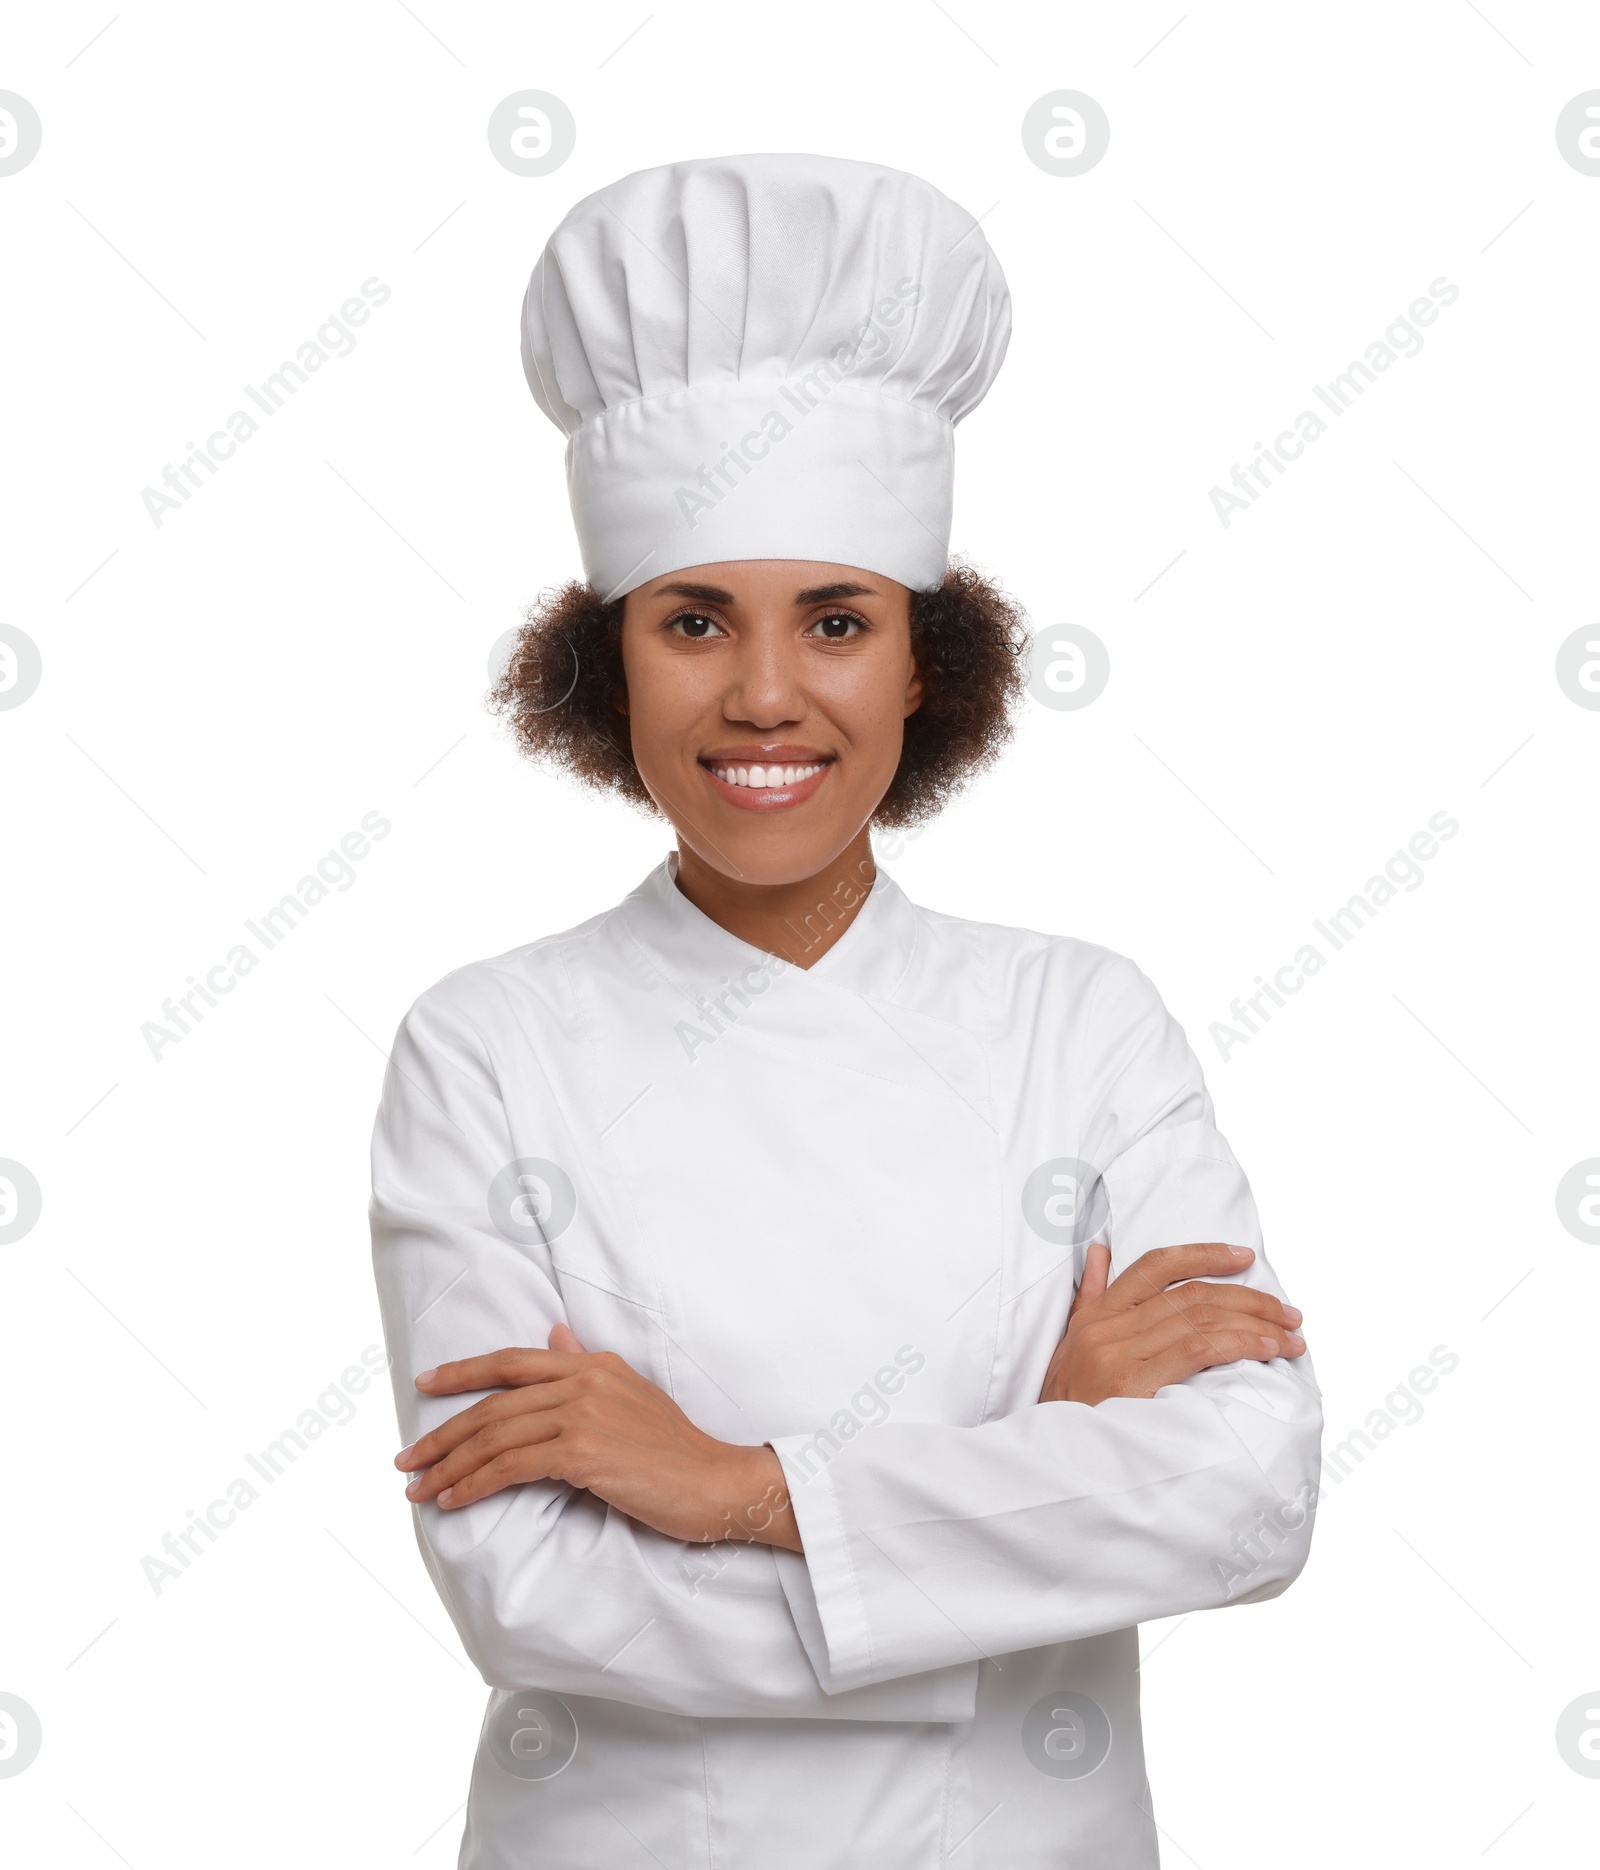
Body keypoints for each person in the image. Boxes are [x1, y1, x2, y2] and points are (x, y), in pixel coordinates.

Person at [370, 152, 1322, 1870]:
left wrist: (733, 1488)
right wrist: (1041, 1466)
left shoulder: (1082, 1020)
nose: (763, 693)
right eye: (692, 619)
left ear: (923, 660)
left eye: (835, 618)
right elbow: (533, 1597)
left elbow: (1249, 1493)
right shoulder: (482, 1044)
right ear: (604, 660)